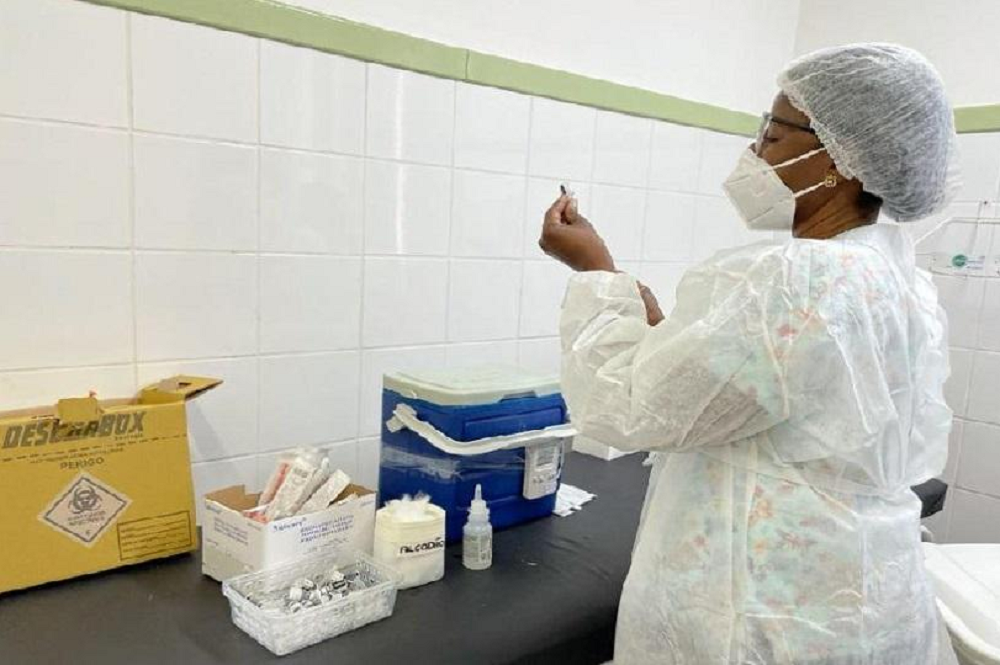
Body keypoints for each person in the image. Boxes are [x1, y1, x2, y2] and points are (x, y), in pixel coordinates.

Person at [539, 43, 961, 665]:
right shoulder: (894, 278)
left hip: (761, 613)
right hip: (863, 597)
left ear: (839, 158)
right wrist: (665, 332)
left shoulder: (793, 279)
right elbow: (772, 391)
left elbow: (624, 410)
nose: (754, 151)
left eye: (773, 132)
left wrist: (595, 272)